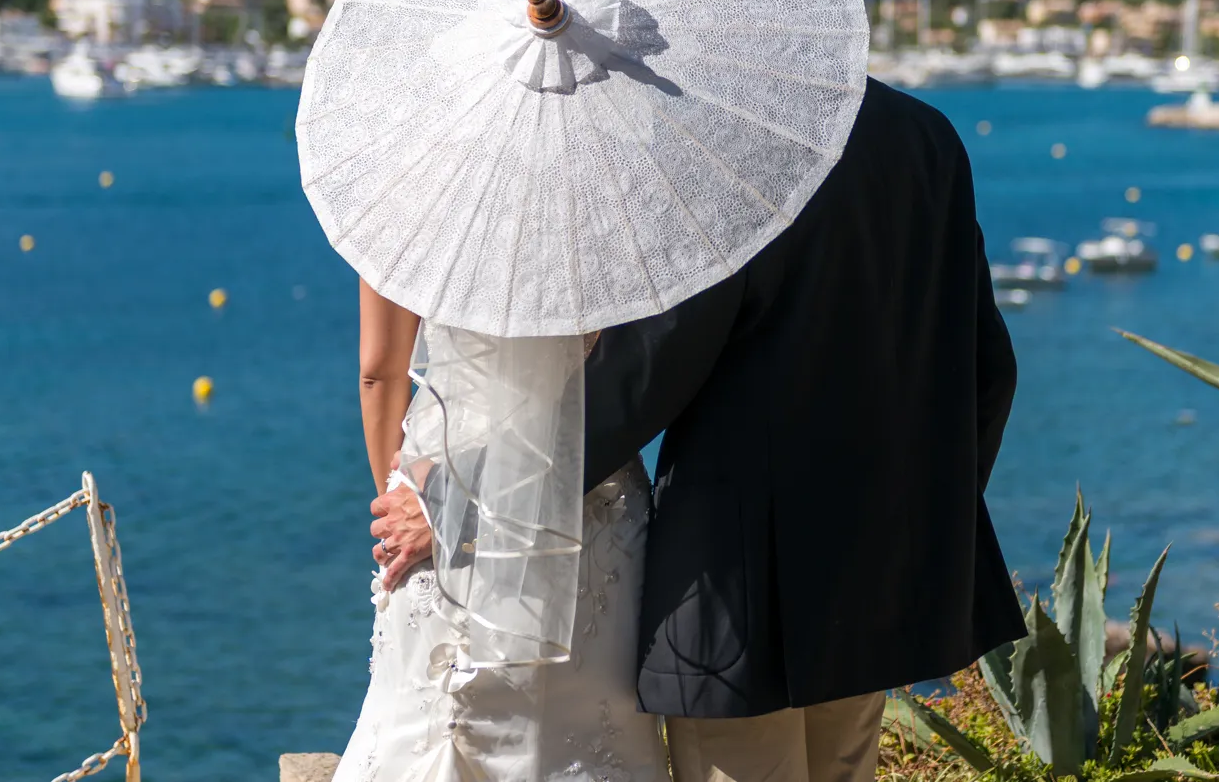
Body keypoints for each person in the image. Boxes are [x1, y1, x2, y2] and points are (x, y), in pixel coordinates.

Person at [371, 74, 1024, 782]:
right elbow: (990, 366)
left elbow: (647, 369)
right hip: (878, 573)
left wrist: (467, 499)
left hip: (739, 588)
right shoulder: (926, 135)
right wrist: (927, 521)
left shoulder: (735, 146)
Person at [337, 280, 673, 782]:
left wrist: (408, 509)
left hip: (435, 485)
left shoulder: (402, 227)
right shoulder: (618, 228)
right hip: (589, 502)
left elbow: (379, 372)